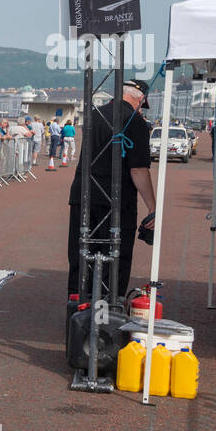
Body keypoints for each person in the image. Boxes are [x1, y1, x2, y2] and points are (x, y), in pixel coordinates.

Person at [66, 81, 156, 305]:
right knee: (116, 259)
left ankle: (77, 309)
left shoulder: (94, 114)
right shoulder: (135, 121)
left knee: (81, 255)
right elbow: (138, 169)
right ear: (140, 99)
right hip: (117, 199)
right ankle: (107, 314)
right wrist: (153, 208)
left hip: (83, 195)